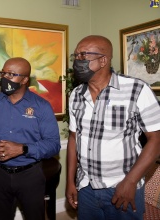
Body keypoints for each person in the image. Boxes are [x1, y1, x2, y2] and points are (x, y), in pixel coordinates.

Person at [66, 35, 160, 220]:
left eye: (84, 55)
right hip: (86, 187)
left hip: (122, 187)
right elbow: (72, 138)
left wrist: (130, 181)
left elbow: (156, 139)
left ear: (103, 60)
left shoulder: (137, 89)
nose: (78, 61)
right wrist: (70, 182)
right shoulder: (76, 94)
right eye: (76, 56)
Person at [0, 57, 61, 220]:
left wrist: (23, 149)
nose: (5, 78)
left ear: (25, 79)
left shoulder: (42, 106)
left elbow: (53, 145)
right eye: (3, 73)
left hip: (30, 175)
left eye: (11, 74)